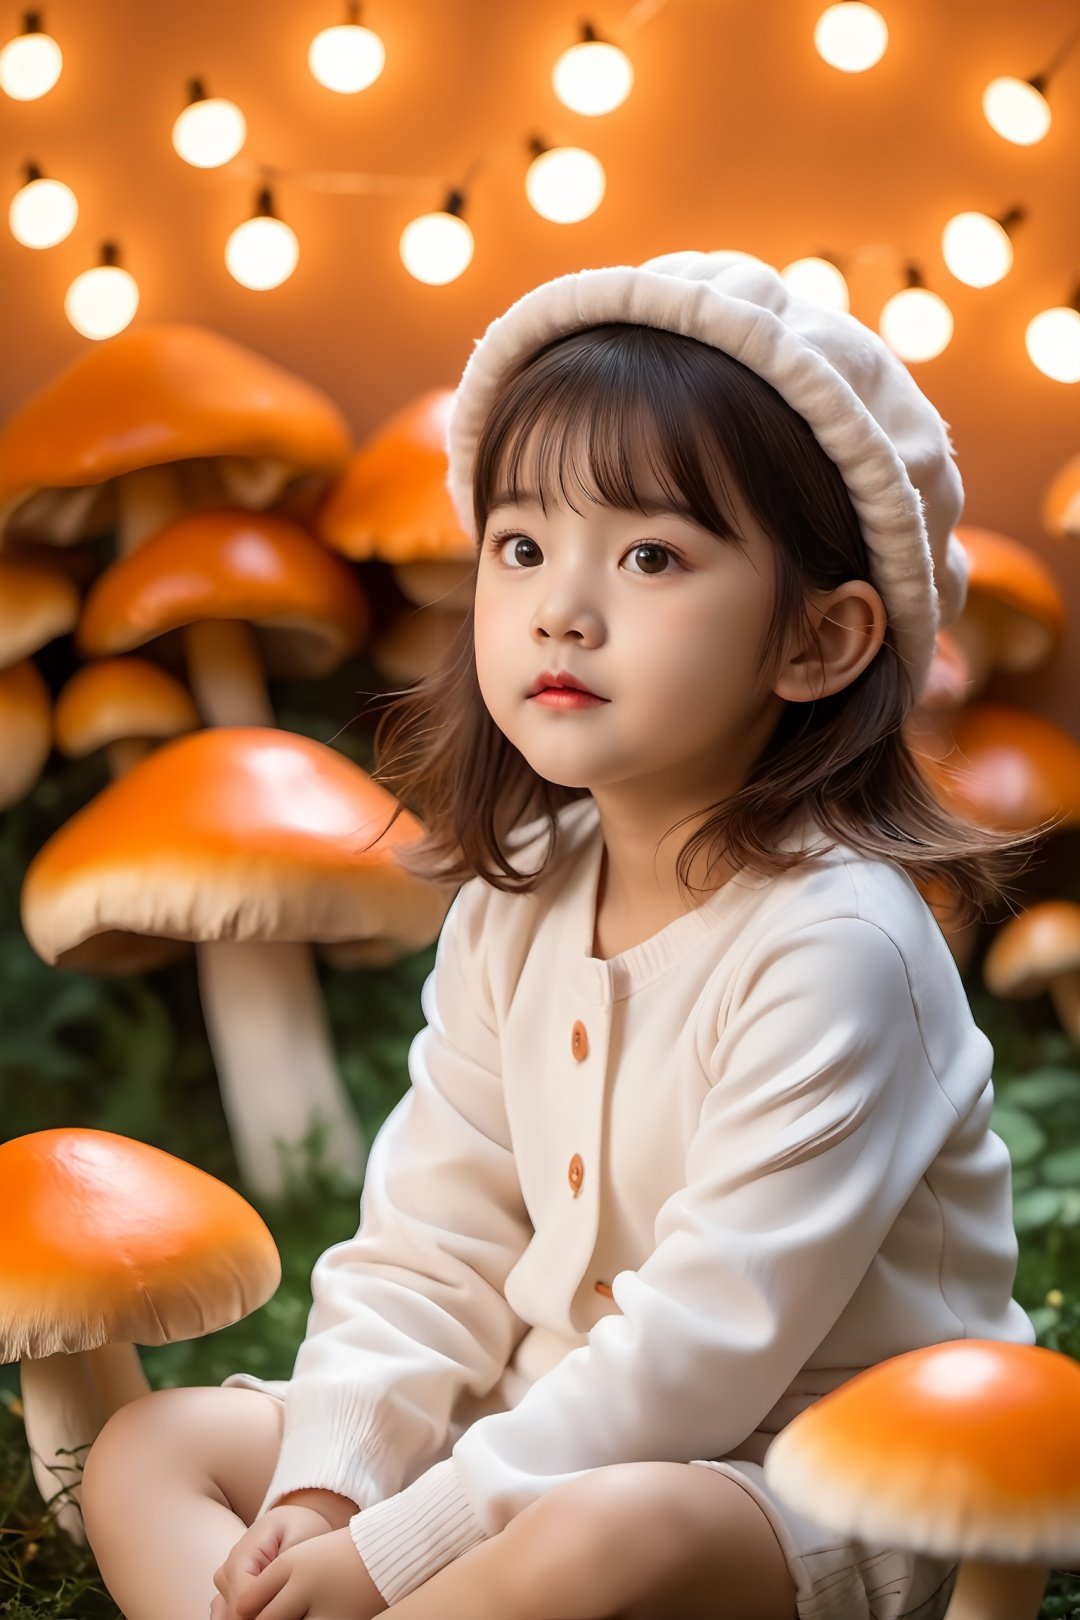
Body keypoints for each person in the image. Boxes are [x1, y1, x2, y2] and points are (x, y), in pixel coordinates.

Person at [82, 251, 1040, 1620]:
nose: (560, 606)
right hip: (531, 1422)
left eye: (651, 555)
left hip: (791, 1480)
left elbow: (702, 1354)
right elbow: (435, 1235)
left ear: (819, 643)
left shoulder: (838, 947)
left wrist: (397, 1558)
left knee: (605, 1541)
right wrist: (330, 1492)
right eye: (521, 545)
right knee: (152, 1444)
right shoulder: (522, 890)